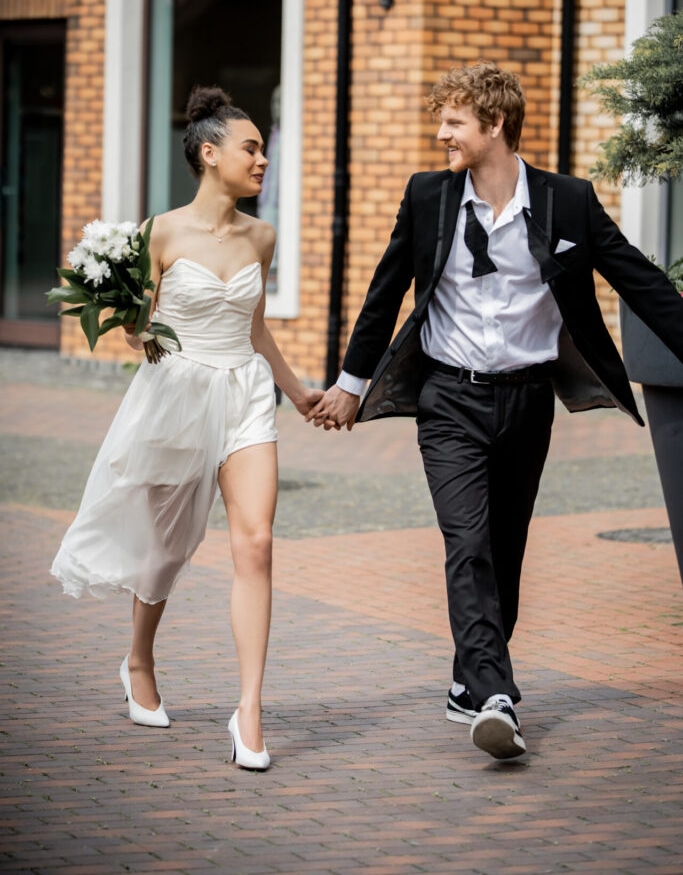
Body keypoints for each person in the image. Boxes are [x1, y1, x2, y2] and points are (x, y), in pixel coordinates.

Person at [308, 62, 683, 761]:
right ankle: (495, 697)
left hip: (526, 399)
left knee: (503, 548)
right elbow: (386, 291)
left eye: (452, 121)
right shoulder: (427, 196)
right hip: (447, 397)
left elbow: (640, 280)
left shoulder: (566, 203)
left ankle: (466, 680)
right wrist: (351, 384)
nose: (441, 134)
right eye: (441, 120)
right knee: (467, 544)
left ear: (494, 123)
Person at [51, 86, 322, 771]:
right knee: (167, 548)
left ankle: (249, 710)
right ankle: (139, 658)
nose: (264, 160)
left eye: (263, 149)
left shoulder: (261, 237)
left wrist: (297, 393)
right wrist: (128, 313)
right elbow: (140, 328)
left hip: (245, 396)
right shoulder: (160, 232)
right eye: (251, 148)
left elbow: (254, 328)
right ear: (210, 154)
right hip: (176, 393)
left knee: (256, 542)